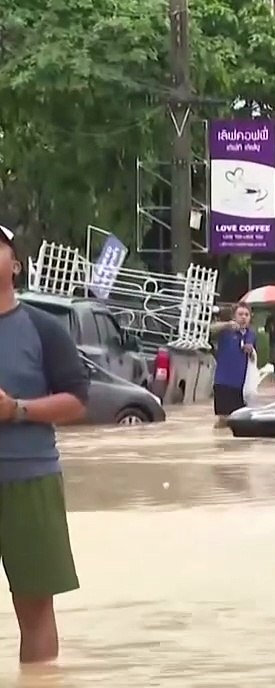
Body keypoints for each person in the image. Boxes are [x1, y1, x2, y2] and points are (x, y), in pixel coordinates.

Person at [0, 225, 88, 664]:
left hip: (29, 481)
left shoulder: (43, 328)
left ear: (15, 265)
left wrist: (15, 409)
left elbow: (77, 402)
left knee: (34, 609)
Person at [211, 303, 257, 423]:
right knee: (223, 421)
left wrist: (251, 350)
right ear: (234, 316)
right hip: (224, 383)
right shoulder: (225, 332)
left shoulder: (251, 335)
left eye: (246, 315)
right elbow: (209, 329)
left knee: (241, 421)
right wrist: (226, 325)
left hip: (242, 386)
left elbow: (254, 360)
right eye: (240, 314)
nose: (243, 317)